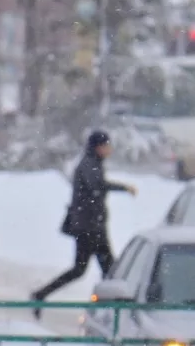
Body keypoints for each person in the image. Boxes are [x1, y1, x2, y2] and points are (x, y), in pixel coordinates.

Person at [31, 130, 135, 314]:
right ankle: (110, 311)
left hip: (90, 225)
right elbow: (97, 187)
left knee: (90, 270)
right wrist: (123, 188)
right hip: (90, 227)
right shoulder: (89, 165)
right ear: (98, 147)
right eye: (106, 146)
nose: (109, 149)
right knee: (109, 271)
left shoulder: (93, 163)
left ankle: (41, 295)